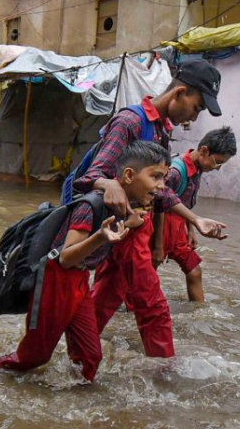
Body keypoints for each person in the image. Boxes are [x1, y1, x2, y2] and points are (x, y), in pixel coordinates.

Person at [72, 60, 227, 360]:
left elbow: (161, 191)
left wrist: (195, 220)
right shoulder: (130, 121)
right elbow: (90, 177)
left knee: (104, 300)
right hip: (123, 227)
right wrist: (108, 184)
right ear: (180, 93)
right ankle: (164, 371)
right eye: (196, 108)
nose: (194, 117)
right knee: (153, 306)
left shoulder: (160, 131)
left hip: (133, 228)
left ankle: (76, 354)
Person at [0, 141, 170, 383]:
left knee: (90, 356)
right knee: (35, 357)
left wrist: (127, 225)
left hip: (79, 281)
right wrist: (100, 236)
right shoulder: (91, 205)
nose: (162, 186)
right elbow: (66, 258)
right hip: (55, 282)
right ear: (129, 175)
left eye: (164, 178)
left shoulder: (123, 207)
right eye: (156, 177)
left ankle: (75, 399)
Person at [153, 127, 237, 302]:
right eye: (217, 162)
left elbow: (184, 203)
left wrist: (190, 230)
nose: (217, 168)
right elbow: (159, 205)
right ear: (204, 151)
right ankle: (131, 314)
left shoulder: (197, 170)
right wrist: (158, 245)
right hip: (160, 227)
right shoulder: (175, 172)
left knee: (194, 270)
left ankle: (198, 314)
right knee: (146, 275)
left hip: (179, 227)